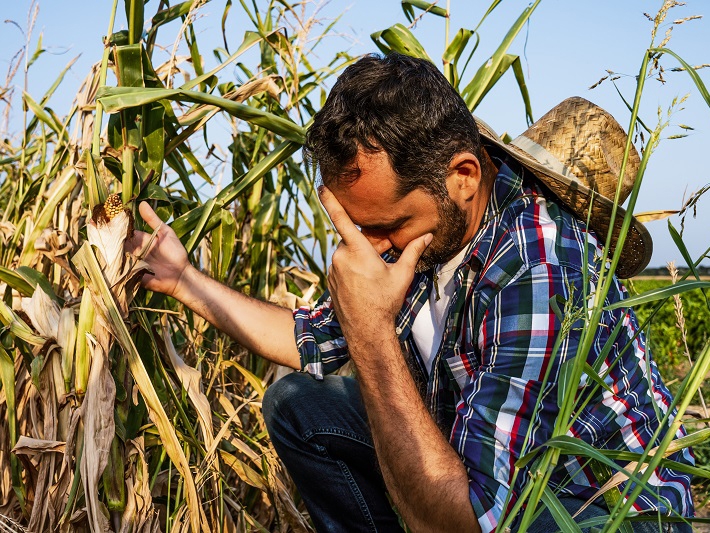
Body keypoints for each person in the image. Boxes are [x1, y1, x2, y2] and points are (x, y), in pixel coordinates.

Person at [128, 54, 695, 532]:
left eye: (384, 226)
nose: (368, 249)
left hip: (607, 505)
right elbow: (310, 339)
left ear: (464, 177)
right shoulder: (424, 232)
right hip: (491, 473)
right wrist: (183, 279)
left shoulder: (542, 268)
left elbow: (477, 517)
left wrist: (372, 333)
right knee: (299, 405)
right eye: (355, 227)